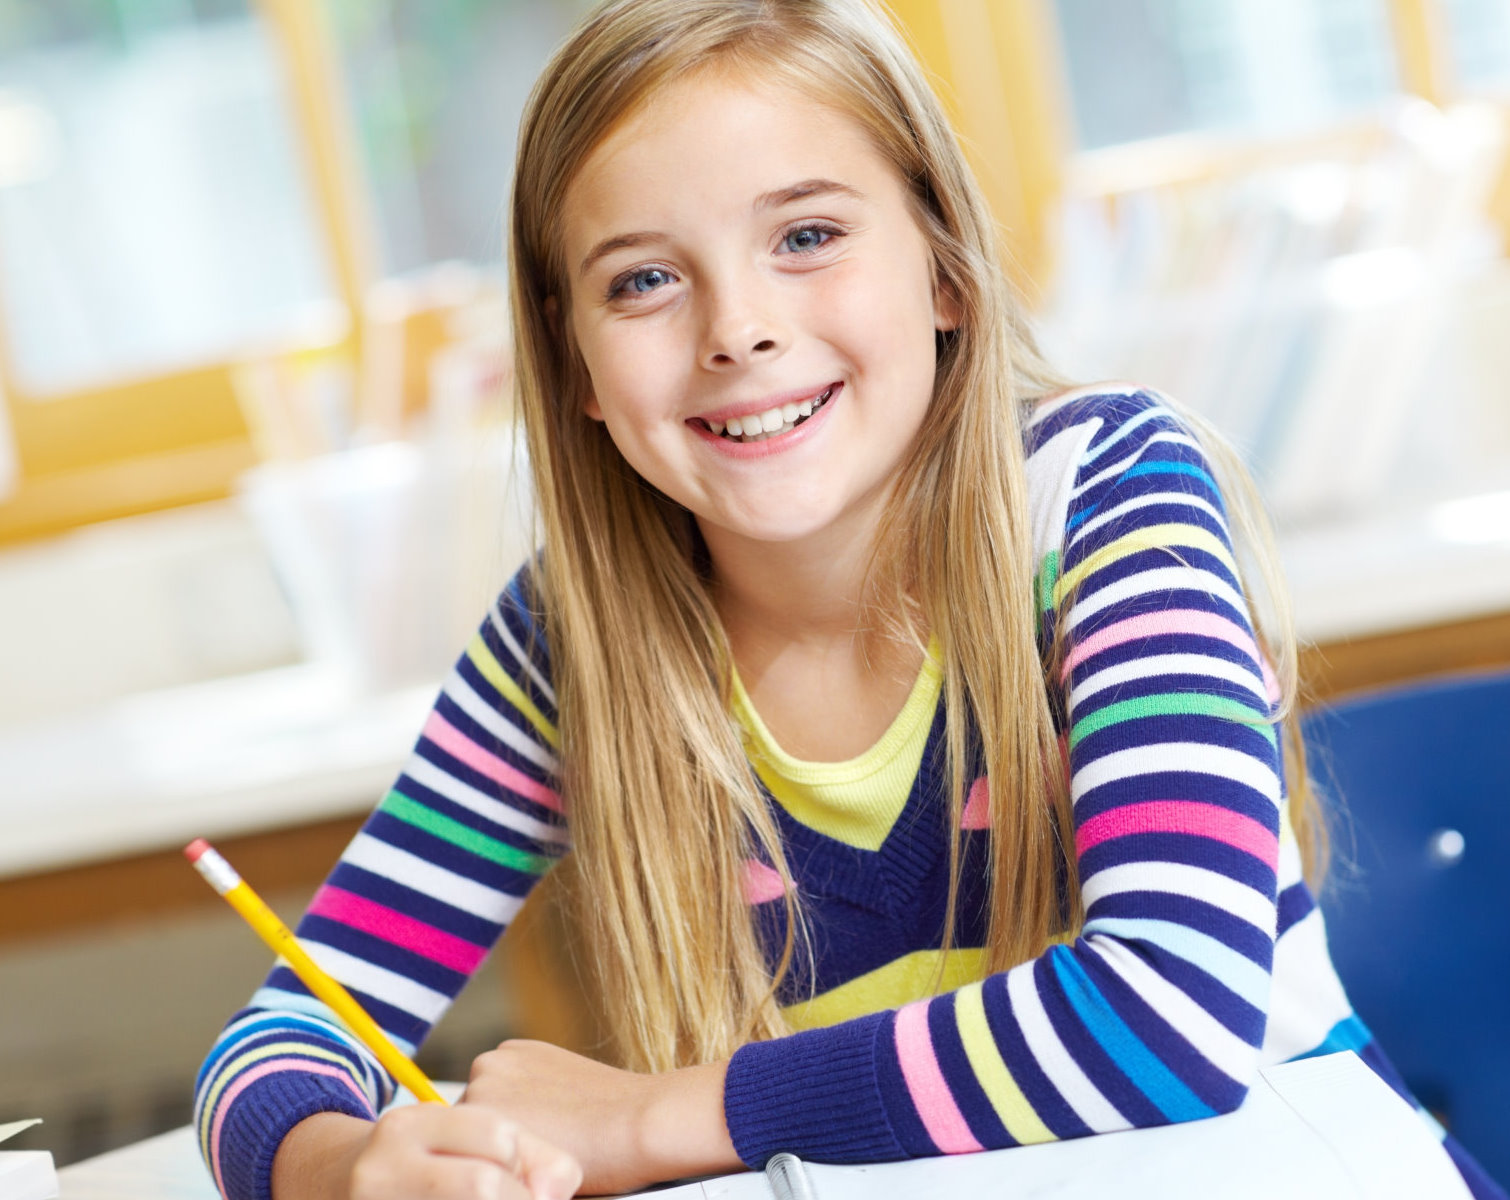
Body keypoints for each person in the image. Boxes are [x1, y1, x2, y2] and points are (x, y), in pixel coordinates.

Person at [193, 1, 1504, 1198]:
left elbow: (1167, 1013)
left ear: (942, 267)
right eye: (641, 279)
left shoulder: (1099, 495)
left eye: (807, 236)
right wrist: (348, 1166)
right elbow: (276, 1045)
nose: (737, 328)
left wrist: (647, 1120)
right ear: (575, 364)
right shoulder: (573, 642)